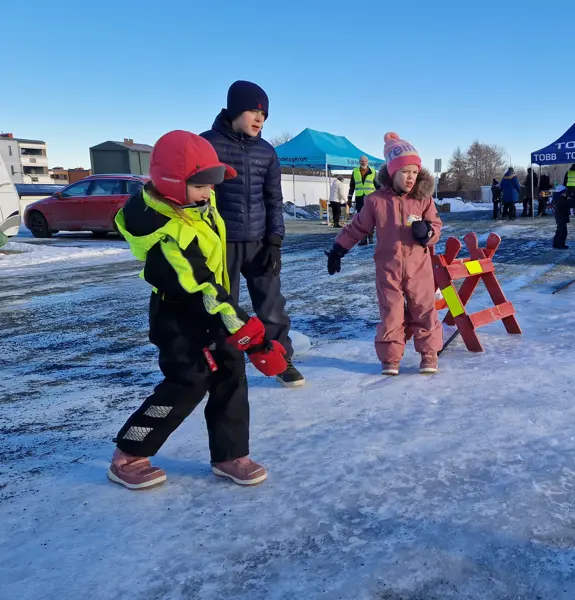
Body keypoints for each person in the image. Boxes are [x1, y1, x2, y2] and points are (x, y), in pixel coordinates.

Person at [108, 130, 287, 490]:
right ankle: (129, 453)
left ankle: (230, 454)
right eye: (200, 185)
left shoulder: (196, 205)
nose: (209, 192)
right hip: (179, 316)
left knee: (230, 373)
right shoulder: (167, 235)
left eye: (211, 184)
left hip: (212, 308)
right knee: (188, 382)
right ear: (171, 183)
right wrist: (252, 335)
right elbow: (201, 286)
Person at [200, 80, 304, 388]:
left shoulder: (267, 152)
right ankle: (224, 366)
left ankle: (281, 361)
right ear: (234, 110)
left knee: (271, 305)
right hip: (221, 243)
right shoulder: (207, 145)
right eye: (252, 111)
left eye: (264, 114)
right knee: (222, 307)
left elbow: (274, 200)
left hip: (259, 242)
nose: (259, 119)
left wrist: (275, 241)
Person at [324, 133, 443, 375]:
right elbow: (357, 227)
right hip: (388, 268)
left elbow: (436, 226)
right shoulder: (375, 201)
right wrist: (338, 249)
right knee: (391, 313)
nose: (410, 177)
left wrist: (428, 233)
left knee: (424, 310)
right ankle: (390, 358)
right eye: (405, 171)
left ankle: (429, 353)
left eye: (414, 172)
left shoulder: (423, 199)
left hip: (419, 268)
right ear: (392, 172)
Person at [349, 156, 377, 245]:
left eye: (365, 161)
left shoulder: (373, 171)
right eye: (361, 161)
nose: (363, 162)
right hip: (359, 198)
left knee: (370, 218)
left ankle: (370, 237)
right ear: (359, 162)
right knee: (361, 219)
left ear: (368, 162)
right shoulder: (355, 171)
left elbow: (377, 185)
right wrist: (349, 198)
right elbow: (352, 186)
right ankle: (363, 239)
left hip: (370, 198)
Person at [552, 182, 570, 249]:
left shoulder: (558, 198)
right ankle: (560, 244)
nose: (565, 193)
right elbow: (565, 206)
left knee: (560, 230)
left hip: (560, 216)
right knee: (562, 231)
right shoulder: (561, 199)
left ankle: (556, 243)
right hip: (561, 216)